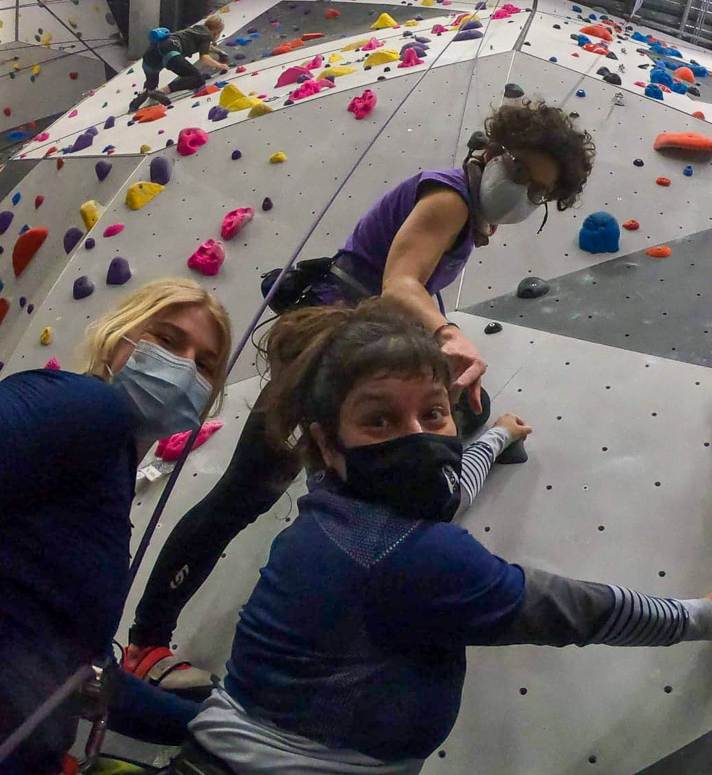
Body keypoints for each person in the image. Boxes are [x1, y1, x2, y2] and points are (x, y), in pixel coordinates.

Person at [133, 300, 712, 775]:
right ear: (325, 441)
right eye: (379, 419)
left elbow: (444, 487)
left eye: (433, 412)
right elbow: (577, 610)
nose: (418, 437)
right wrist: (705, 614)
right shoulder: (415, 557)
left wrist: (496, 437)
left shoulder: (337, 501)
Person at [123, 99, 597, 689]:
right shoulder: (450, 199)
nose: (524, 192)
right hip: (323, 357)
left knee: (329, 485)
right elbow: (399, 283)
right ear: (494, 153)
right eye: (520, 171)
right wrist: (447, 333)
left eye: (539, 192)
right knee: (245, 494)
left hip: (347, 353)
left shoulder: (462, 211)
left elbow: (409, 283)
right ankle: (145, 643)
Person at [0, 279, 232, 775]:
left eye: (204, 365)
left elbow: (81, 669)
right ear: (117, 335)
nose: (184, 368)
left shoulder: (106, 467)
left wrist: (214, 727)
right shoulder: (86, 407)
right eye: (168, 340)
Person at [129, 15, 230, 112]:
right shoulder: (206, 36)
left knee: (151, 85)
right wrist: (220, 65)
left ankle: (143, 94)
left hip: (150, 55)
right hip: (169, 51)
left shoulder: (196, 30)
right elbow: (204, 58)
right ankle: (161, 91)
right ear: (216, 32)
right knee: (196, 78)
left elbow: (205, 46)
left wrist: (220, 52)